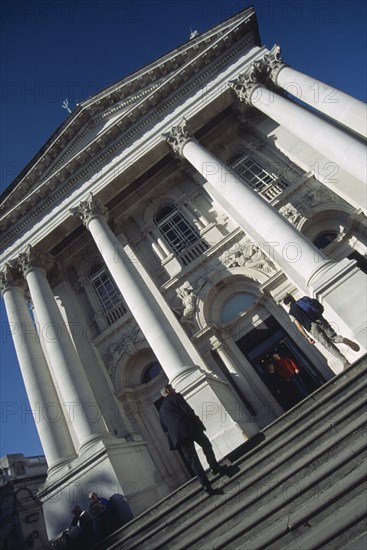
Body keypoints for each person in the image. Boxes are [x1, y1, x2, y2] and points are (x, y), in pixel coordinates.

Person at [159, 384, 222, 494]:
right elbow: (188, 411)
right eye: (172, 388)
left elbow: (164, 429)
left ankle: (206, 486)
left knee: (193, 461)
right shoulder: (176, 396)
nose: (174, 389)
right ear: (168, 390)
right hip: (190, 428)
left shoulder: (161, 411)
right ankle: (214, 467)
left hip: (179, 437)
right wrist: (199, 424)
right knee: (206, 445)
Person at [283, 294, 360, 370]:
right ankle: (343, 340)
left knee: (328, 345)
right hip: (319, 319)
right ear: (292, 299)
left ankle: (345, 362)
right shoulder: (303, 300)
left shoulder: (291, 313)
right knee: (333, 337)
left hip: (311, 328)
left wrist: (307, 337)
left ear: (287, 305)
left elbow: (299, 326)